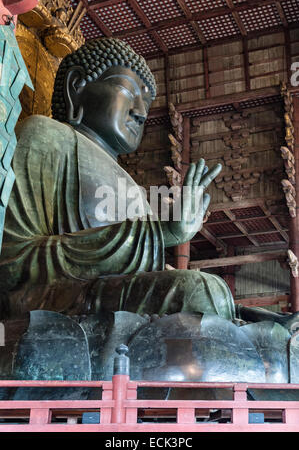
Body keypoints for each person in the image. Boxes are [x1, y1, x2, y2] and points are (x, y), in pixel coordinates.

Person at [0, 37, 296, 332]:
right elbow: (12, 264)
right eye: (128, 91)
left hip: (114, 300)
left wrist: (249, 314)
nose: (141, 111)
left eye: (146, 102)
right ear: (77, 86)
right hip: (62, 301)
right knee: (200, 292)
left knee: (220, 298)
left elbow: (148, 278)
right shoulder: (45, 137)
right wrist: (156, 233)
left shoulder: (131, 185)